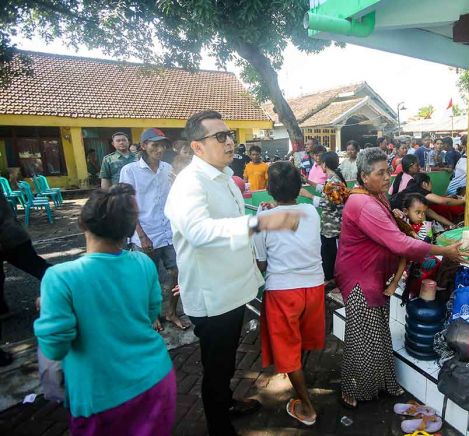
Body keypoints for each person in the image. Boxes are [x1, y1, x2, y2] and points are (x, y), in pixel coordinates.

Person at [164, 110, 301, 435]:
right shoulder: (189, 184)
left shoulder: (223, 175)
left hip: (233, 288)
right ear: (197, 147)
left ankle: (226, 403)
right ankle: (220, 426)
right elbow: (199, 231)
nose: (230, 142)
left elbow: (229, 227)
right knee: (217, 367)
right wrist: (260, 222)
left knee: (226, 362)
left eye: (230, 136)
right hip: (214, 296)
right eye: (220, 137)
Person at [34, 184, 175, 435]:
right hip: (156, 379)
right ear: (128, 230)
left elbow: (55, 346)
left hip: (101, 397)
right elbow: (151, 313)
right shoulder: (143, 263)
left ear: (82, 223)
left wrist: (46, 310)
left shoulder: (60, 278)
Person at [335, 148, 465, 408]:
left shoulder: (377, 196)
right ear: (364, 176)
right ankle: (353, 387)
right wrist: (443, 251)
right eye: (380, 173)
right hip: (359, 276)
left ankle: (382, 383)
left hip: (374, 274)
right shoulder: (362, 203)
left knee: (378, 331)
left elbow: (394, 229)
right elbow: (399, 243)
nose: (387, 177)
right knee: (361, 335)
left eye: (387, 171)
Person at [253, 162, 325, 427]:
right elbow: (302, 209)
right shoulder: (311, 212)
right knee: (302, 339)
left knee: (287, 347)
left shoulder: (260, 219)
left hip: (283, 290)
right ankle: (298, 374)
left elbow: (261, 262)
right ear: (298, 186)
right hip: (314, 286)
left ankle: (307, 407)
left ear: (270, 189)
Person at [120, 128, 186, 331]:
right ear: (143, 146)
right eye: (154, 145)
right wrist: (141, 235)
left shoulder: (168, 168)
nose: (159, 149)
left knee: (178, 273)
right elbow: (128, 205)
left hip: (169, 232)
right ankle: (152, 315)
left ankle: (171, 312)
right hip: (145, 234)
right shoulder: (130, 170)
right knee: (148, 279)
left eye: (162, 145)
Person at [1, 194, 50, 365]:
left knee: (41, 268)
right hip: (11, 233)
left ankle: (67, 295)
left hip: (9, 235)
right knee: (39, 267)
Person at [299, 152, 349, 284]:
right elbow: (325, 190)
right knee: (327, 254)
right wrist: (308, 181)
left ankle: (334, 280)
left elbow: (331, 203)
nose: (319, 165)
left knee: (331, 255)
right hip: (329, 227)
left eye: (320, 163)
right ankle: (331, 278)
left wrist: (308, 196)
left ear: (325, 164)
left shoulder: (334, 182)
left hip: (333, 228)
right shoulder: (333, 180)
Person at [400, 173, 465, 224]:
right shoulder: (421, 192)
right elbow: (445, 201)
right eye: (431, 183)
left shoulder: (414, 194)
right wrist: (463, 200)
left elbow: (437, 217)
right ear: (425, 184)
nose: (432, 186)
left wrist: (453, 226)